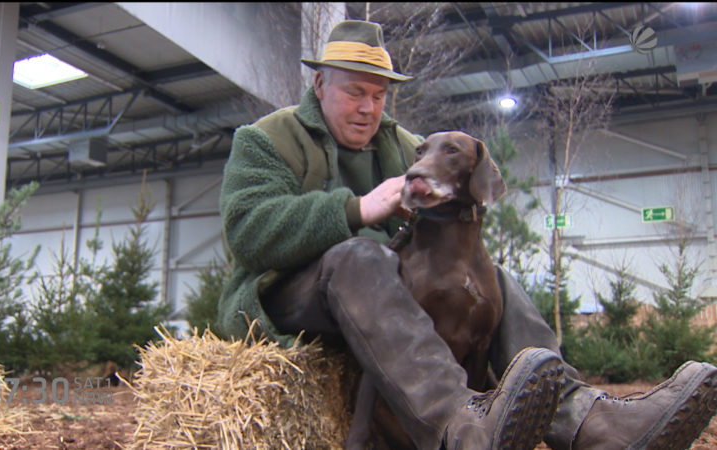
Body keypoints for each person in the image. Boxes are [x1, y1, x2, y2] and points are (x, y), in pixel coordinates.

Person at [217, 19, 717, 450]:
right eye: (354, 92)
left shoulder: (409, 149)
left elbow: (454, 230)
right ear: (320, 83)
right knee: (361, 257)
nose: (369, 108)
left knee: (490, 278)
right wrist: (357, 208)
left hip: (374, 307)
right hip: (284, 297)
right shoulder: (266, 139)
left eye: (379, 94)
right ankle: (460, 426)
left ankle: (591, 420)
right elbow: (248, 233)